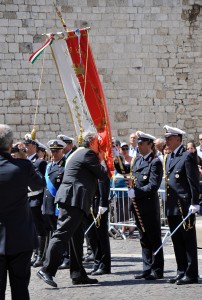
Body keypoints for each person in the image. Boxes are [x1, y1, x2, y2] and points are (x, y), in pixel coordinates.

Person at [37, 131, 109, 288]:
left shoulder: (78, 153)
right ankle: (47, 270)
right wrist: (103, 160)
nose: (100, 145)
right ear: (92, 143)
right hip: (73, 200)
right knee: (62, 233)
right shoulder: (88, 153)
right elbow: (103, 174)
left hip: (73, 199)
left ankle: (78, 274)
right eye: (98, 142)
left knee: (76, 238)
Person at [0, 124, 45, 300]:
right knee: (20, 290)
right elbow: (39, 184)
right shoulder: (23, 166)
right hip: (20, 237)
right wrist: (24, 158)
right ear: (11, 143)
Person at [114, 130, 164, 280]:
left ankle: (157, 269)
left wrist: (137, 192)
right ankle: (147, 267)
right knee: (143, 238)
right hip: (138, 206)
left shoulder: (155, 162)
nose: (139, 146)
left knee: (154, 238)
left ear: (150, 145)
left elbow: (153, 186)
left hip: (148, 206)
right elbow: (126, 170)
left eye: (141, 143)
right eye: (138, 143)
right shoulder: (138, 160)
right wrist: (117, 159)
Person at [163, 125, 200, 285]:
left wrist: (195, 203)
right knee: (177, 241)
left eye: (169, 138)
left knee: (188, 241)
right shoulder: (169, 157)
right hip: (172, 206)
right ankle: (181, 271)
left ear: (178, 139)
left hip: (184, 205)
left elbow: (193, 183)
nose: (166, 141)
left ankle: (191, 274)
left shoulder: (187, 156)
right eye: (165, 139)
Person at [42, 139, 70, 270]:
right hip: (48, 204)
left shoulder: (66, 165)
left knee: (61, 233)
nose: (54, 154)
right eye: (52, 151)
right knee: (54, 232)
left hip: (58, 204)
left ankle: (66, 257)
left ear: (62, 151)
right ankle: (56, 257)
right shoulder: (49, 166)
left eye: (56, 151)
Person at [23, 134, 48, 267]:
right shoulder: (25, 161)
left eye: (28, 145)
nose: (26, 147)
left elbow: (43, 183)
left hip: (37, 198)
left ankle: (41, 255)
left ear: (34, 146)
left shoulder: (40, 162)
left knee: (39, 228)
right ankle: (35, 253)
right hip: (26, 199)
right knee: (31, 228)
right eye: (25, 145)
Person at [85, 178, 111, 275]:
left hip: (98, 203)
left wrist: (103, 203)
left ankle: (104, 265)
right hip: (89, 204)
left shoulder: (100, 164)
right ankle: (97, 262)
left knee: (101, 236)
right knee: (92, 237)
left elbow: (104, 183)